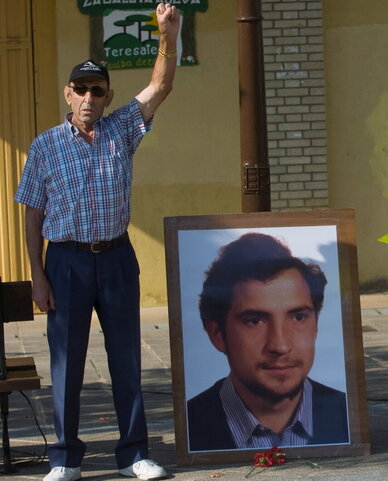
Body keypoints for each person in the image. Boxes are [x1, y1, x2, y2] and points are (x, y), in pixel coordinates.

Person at [13, 4, 180, 481]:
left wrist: (167, 37)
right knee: (66, 363)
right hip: (65, 262)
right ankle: (66, 459)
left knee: (126, 358)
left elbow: (160, 86)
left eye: (97, 90)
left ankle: (134, 455)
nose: (88, 97)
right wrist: (37, 275)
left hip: (117, 258)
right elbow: (32, 213)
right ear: (68, 93)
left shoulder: (122, 130)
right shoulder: (45, 146)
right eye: (81, 88)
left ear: (108, 98)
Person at [187, 232, 350, 451]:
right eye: (255, 321)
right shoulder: (190, 427)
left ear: (316, 325)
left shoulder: (348, 416)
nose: (280, 346)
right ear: (217, 334)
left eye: (298, 317)